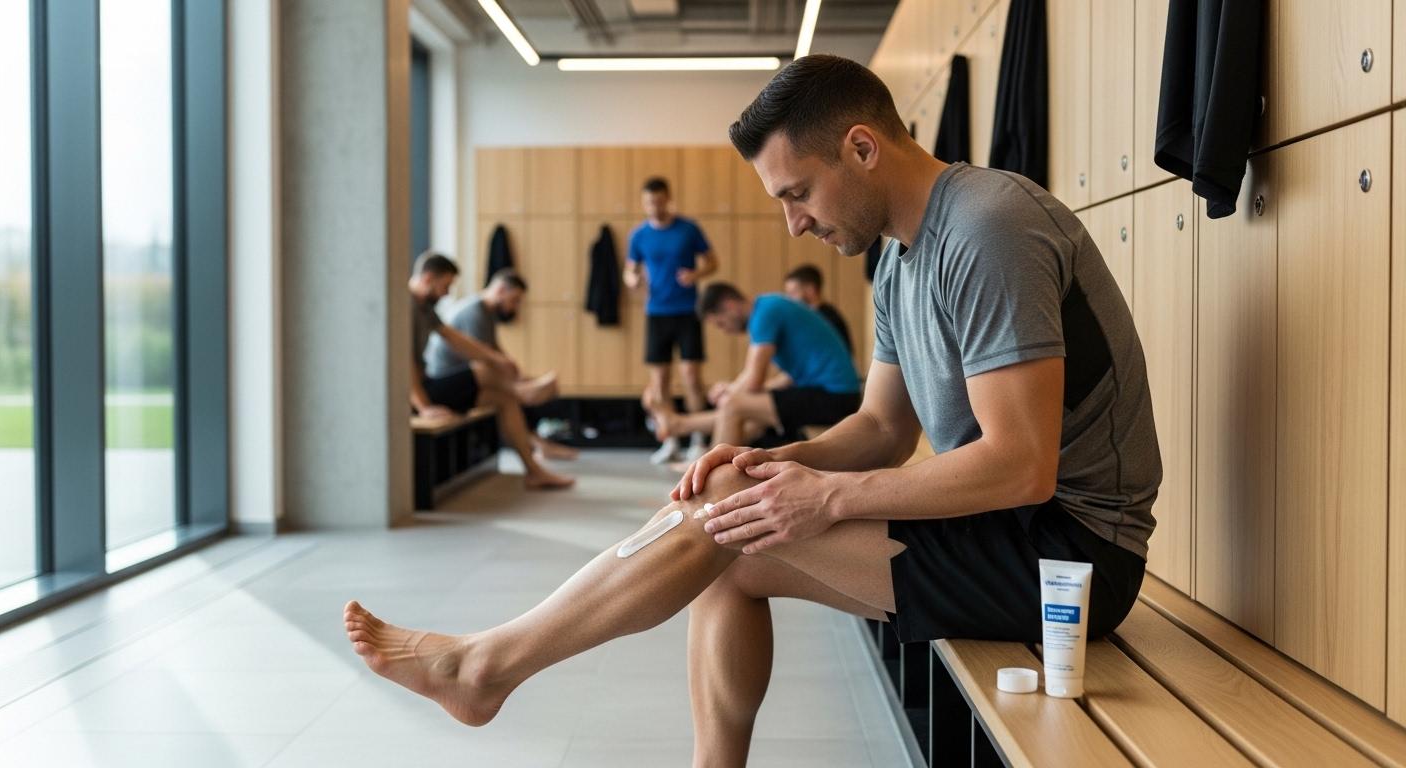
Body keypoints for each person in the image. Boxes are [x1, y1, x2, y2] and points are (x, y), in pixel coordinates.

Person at [348, 56, 1158, 765]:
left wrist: (829, 497)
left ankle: (487, 668)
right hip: (1007, 531)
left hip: (1071, 558)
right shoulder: (899, 266)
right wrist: (782, 465)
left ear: (863, 147)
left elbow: (1021, 464)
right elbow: (882, 428)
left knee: (731, 530)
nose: (794, 222)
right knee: (729, 538)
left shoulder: (986, 228)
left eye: (798, 192)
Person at [409, 253, 574, 490]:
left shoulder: (425, 308)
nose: (447, 293)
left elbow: (456, 338)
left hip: (432, 385)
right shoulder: (406, 305)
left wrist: (498, 359)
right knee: (483, 370)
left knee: (504, 399)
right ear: (427, 278)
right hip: (420, 393)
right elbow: (403, 365)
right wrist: (424, 407)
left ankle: (534, 471)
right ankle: (523, 394)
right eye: (445, 285)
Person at [648, 283, 860, 453]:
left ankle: (703, 467)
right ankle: (688, 436)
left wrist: (729, 392)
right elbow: (785, 378)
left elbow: (753, 380)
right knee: (748, 417)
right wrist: (732, 389)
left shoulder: (764, 314)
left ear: (730, 305)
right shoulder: (769, 307)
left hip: (836, 398)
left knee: (734, 406)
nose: (725, 331)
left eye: (721, 324)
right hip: (831, 393)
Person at [623, 177, 719, 465]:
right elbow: (629, 271)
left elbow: (713, 262)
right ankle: (671, 440)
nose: (655, 206)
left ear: (668, 199)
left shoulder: (688, 229)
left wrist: (696, 275)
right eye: (650, 201)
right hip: (657, 313)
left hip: (687, 310)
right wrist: (633, 279)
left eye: (660, 200)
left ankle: (698, 440)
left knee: (691, 376)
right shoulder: (639, 236)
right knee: (660, 381)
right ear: (644, 202)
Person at [782, 263, 853, 353]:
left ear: (810, 290)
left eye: (793, 292)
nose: (789, 299)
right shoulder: (810, 316)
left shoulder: (828, 319)